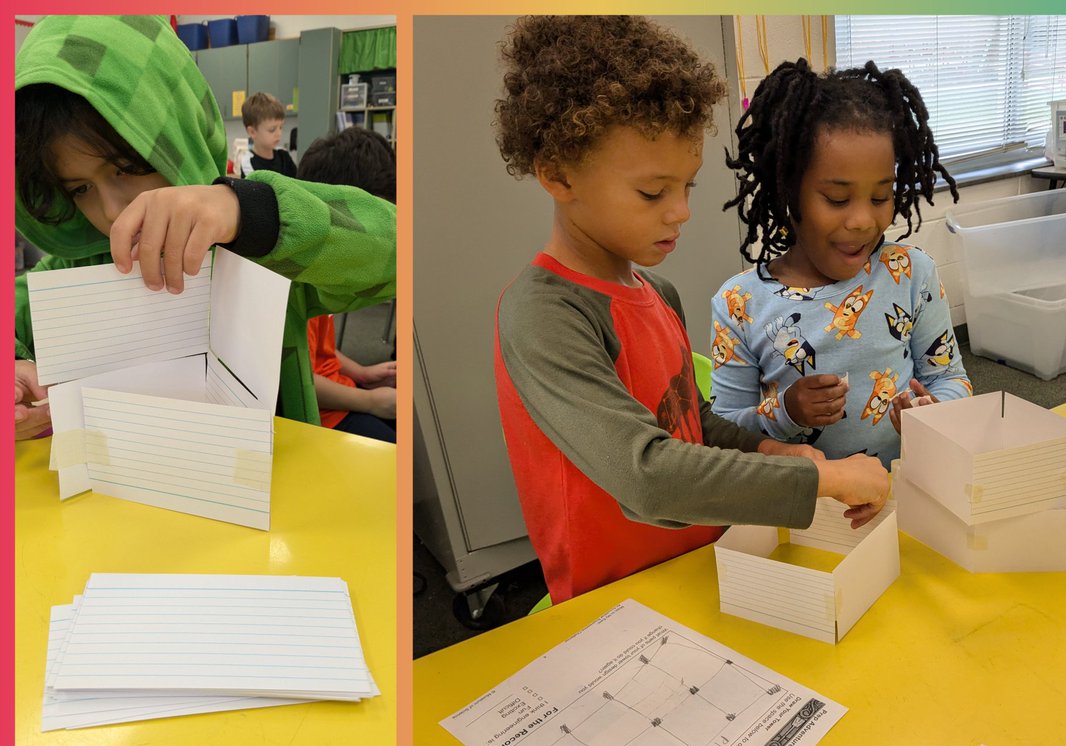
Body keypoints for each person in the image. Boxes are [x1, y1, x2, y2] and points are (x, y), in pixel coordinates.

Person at [493, 16, 890, 604]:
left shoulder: (658, 292)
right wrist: (820, 477)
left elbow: (690, 423)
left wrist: (768, 449)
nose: (680, 211)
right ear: (558, 174)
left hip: (700, 567)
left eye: (688, 187)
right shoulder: (544, 315)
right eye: (653, 192)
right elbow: (648, 475)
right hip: (615, 596)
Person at [14, 14, 395, 437]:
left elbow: (396, 256)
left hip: (278, 471)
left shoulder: (261, 252)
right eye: (80, 188)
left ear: (180, 133)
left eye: (126, 167)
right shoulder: (69, 271)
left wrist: (250, 213)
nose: (112, 212)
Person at [712, 58, 973, 470]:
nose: (863, 221)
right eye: (837, 199)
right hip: (805, 497)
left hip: (903, 487)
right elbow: (724, 431)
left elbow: (951, 378)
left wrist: (934, 410)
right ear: (788, 193)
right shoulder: (739, 303)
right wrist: (786, 411)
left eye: (881, 197)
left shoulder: (910, 273)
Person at [296, 126, 397, 442]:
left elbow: (318, 350)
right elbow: (298, 377)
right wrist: (369, 401)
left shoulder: (323, 273)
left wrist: (362, 373)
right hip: (323, 414)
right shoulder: (297, 282)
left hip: (340, 390)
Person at [236, 91, 297, 178]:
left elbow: (297, 183)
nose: (279, 134)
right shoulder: (248, 163)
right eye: (272, 130)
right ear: (252, 132)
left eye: (281, 127)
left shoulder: (284, 156)